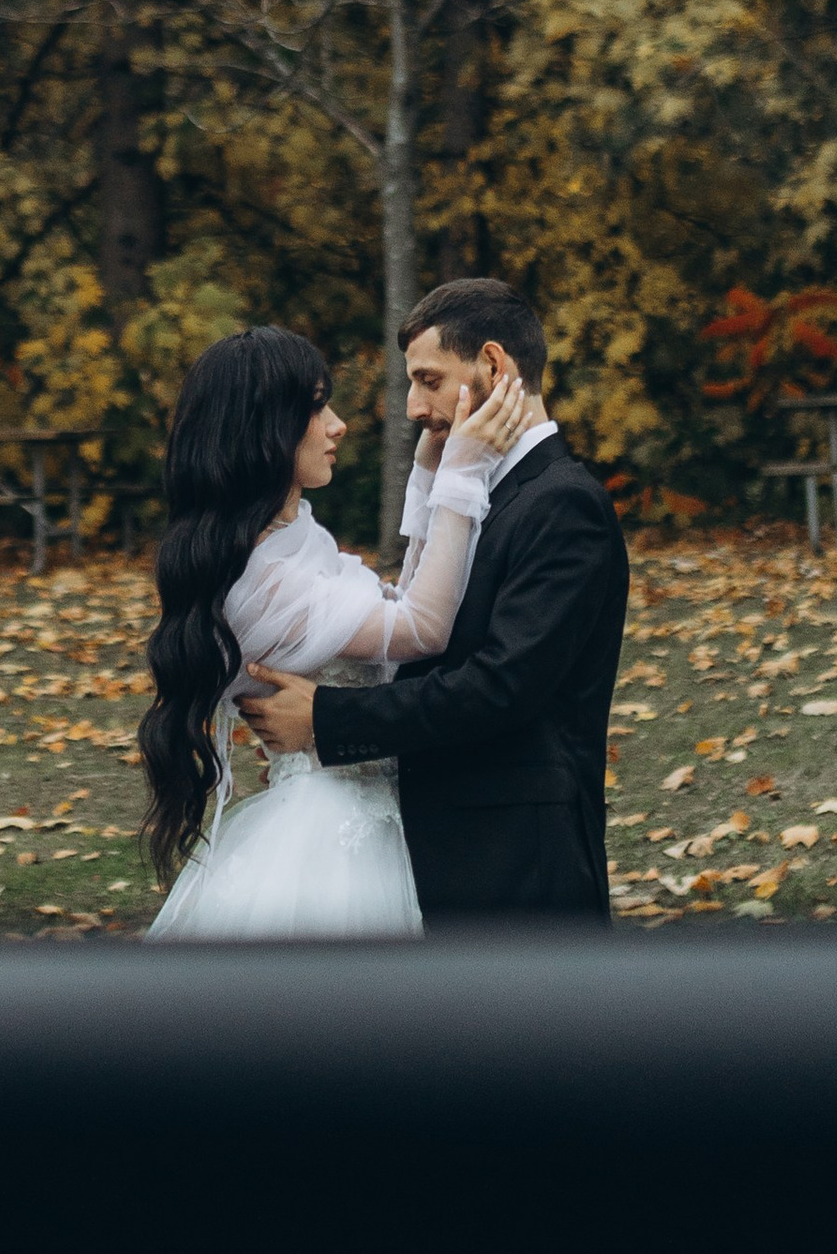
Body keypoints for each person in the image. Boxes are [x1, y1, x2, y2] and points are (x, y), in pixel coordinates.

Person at [235, 278, 628, 921]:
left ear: (494, 366)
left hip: (518, 863)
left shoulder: (563, 502)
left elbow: (503, 686)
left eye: (429, 380)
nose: (414, 406)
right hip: (438, 850)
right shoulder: (484, 492)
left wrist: (331, 721)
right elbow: (415, 620)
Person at [139, 323, 530, 941]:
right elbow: (423, 627)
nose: (338, 424)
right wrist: (462, 474)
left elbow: (396, 606)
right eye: (314, 408)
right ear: (261, 429)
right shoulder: (262, 576)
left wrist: (428, 481)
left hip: (370, 813)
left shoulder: (289, 541)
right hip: (328, 840)